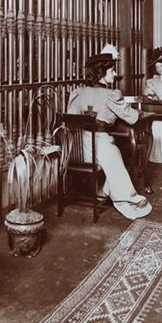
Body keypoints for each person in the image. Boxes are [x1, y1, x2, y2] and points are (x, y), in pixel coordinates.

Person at [66, 46, 152, 220]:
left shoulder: (78, 92)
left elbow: (71, 117)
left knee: (113, 154)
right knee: (115, 155)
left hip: (77, 147)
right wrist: (140, 113)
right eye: (112, 71)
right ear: (101, 73)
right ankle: (127, 199)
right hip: (99, 143)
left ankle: (103, 192)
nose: (115, 74)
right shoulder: (111, 94)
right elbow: (132, 118)